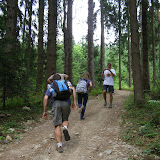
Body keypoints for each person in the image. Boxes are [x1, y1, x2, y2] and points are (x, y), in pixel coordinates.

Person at [43, 74, 77, 153]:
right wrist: (74, 102)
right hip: (66, 103)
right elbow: (73, 89)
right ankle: (65, 128)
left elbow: (45, 98)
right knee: (65, 119)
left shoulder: (51, 85)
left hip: (56, 104)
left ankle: (60, 146)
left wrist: (44, 111)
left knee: (57, 125)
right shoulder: (66, 83)